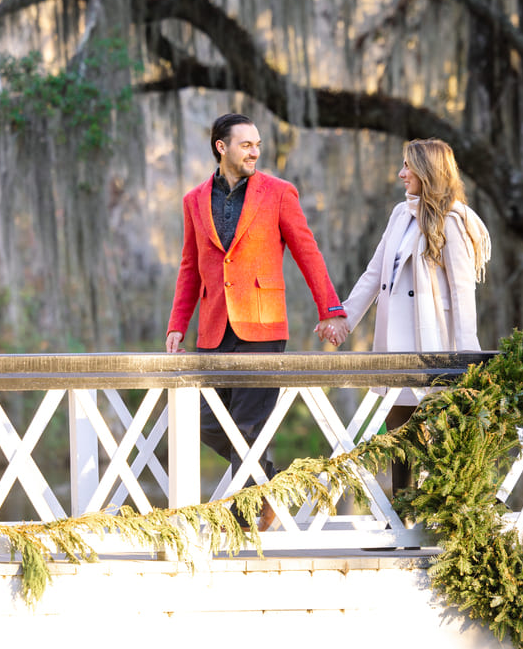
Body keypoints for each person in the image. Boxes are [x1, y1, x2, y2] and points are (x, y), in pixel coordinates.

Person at [167, 113, 350, 531]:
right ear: (222, 147)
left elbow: (308, 253)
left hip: (263, 327)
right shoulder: (194, 200)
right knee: (203, 422)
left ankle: (244, 521)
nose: (255, 151)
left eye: (258, 145)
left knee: (248, 424)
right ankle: (272, 484)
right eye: (246, 144)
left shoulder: (279, 193)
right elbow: (189, 266)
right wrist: (178, 322)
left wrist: (332, 309)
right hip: (213, 329)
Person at [327, 138, 491, 495]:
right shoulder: (400, 214)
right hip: (393, 343)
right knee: (399, 435)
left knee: (437, 437)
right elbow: (374, 273)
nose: (401, 174)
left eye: (408, 167)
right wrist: (344, 319)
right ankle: (403, 517)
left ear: (428, 172)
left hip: (432, 345)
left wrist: (467, 356)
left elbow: (463, 291)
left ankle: (449, 514)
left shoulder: (454, 221)